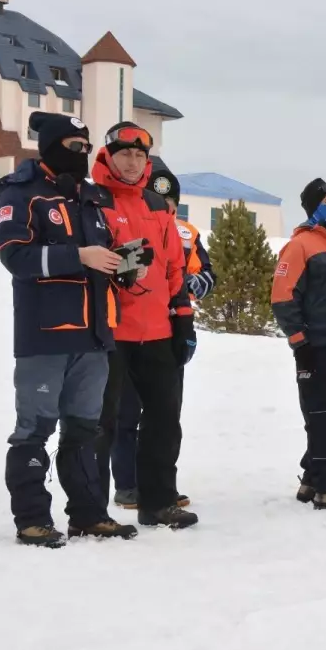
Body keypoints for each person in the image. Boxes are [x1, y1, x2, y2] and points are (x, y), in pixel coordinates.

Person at [0, 112, 138, 547]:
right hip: (45, 336)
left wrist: (123, 266)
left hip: (93, 335)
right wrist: (81, 257)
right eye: (75, 146)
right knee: (34, 430)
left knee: (84, 429)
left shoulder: (91, 199)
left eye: (86, 146)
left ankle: (89, 515)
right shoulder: (21, 195)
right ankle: (32, 519)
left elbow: (102, 255)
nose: (83, 153)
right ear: (53, 146)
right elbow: (14, 256)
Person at [92, 122, 199, 530]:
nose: (132, 162)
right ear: (109, 155)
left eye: (140, 156)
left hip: (156, 331)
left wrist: (183, 320)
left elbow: (175, 267)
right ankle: (93, 511)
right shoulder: (93, 200)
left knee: (165, 420)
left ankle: (159, 502)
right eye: (125, 154)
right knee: (103, 423)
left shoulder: (157, 206)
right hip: (110, 331)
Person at [110, 167, 216, 509]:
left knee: (165, 415)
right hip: (125, 330)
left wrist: (195, 286)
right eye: (158, 200)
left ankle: (159, 485)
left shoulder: (187, 233)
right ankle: (127, 485)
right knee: (125, 413)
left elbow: (207, 275)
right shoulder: (124, 220)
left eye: (170, 201)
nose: (164, 207)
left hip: (170, 330)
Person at [271, 178, 326, 511]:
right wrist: (299, 341)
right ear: (313, 207)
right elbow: (282, 296)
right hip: (316, 344)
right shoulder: (300, 245)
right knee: (319, 415)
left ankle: (311, 476)